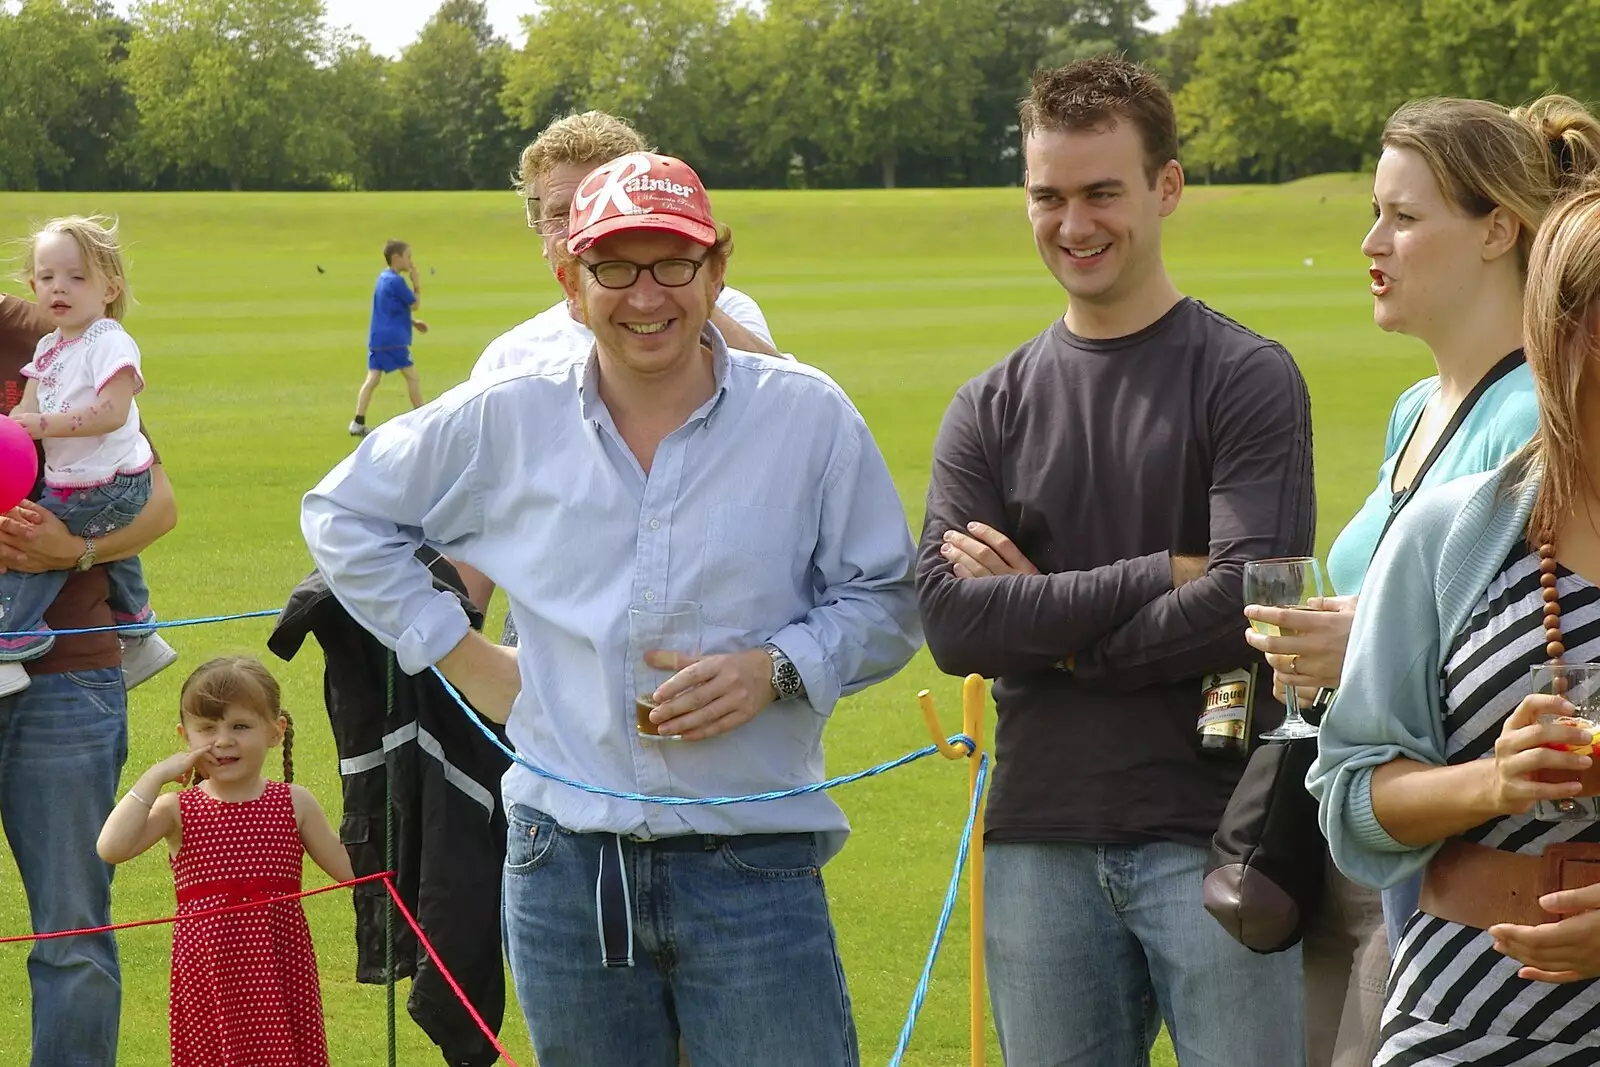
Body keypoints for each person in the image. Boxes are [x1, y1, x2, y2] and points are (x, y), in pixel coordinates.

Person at [302, 151, 921, 1066]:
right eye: (614, 267)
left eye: (673, 263)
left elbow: (885, 599)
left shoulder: (809, 417)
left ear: (716, 270)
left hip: (752, 860)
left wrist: (777, 666)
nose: (646, 295)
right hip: (565, 866)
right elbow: (343, 512)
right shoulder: (509, 414)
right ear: (569, 278)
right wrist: (459, 654)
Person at [914, 57, 1314, 1067]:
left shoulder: (1246, 376)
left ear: (1165, 188)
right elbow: (954, 625)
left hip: (1214, 833)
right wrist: (1154, 573)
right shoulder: (988, 404)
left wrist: (1046, 629)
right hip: (1038, 836)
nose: (1073, 223)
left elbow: (1247, 600)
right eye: (1047, 195)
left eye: (1102, 192)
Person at [1246, 95, 1600, 1066]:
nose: (1372, 240)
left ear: (1499, 230)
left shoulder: (1538, 414)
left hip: (1471, 873)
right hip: (1386, 827)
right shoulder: (1418, 408)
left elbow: (1484, 642)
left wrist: (1350, 641)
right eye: (1375, 211)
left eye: (1403, 216)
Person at [461, 111, 787, 638]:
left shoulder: (729, 315)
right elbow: (477, 524)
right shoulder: (512, 358)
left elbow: (787, 409)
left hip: (703, 619)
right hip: (555, 627)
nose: (573, 232)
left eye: (596, 205)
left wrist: (694, 297)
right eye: (557, 214)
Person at [0, 289, 177, 1066]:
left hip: (64, 680)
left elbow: (156, 504)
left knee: (71, 932)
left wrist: (68, 552)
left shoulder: (42, 329)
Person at [98, 656, 352, 1066]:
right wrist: (155, 776)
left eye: (240, 726)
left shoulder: (294, 803)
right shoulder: (177, 809)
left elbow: (351, 871)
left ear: (275, 731)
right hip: (210, 976)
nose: (222, 741)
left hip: (278, 970)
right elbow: (111, 847)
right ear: (185, 736)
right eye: (207, 728)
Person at [0, 216, 174, 697]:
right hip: (79, 477)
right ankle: (139, 632)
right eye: (47, 277)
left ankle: (9, 642)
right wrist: (18, 423)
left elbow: (113, 412)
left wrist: (38, 426)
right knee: (102, 537)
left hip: (111, 480)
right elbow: (24, 409)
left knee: (37, 541)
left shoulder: (108, 340)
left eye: (76, 277)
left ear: (110, 287)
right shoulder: (49, 346)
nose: (60, 288)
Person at [350, 239, 428, 437]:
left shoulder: (382, 278)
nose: (411, 261)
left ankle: (358, 422)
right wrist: (417, 283)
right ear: (396, 258)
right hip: (394, 340)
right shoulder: (396, 281)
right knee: (412, 376)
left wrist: (412, 322)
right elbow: (415, 303)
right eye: (408, 256)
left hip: (378, 337)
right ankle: (423, 417)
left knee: (373, 379)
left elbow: (389, 310)